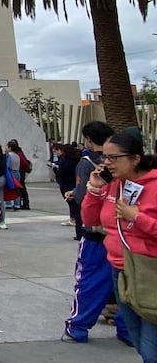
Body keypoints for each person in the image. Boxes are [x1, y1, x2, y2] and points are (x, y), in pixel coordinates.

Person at [82, 129, 157, 362]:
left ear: (135, 158)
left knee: (150, 345)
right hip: (119, 268)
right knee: (135, 335)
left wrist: (136, 216)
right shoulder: (115, 185)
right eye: (105, 157)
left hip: (148, 271)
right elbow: (90, 220)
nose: (107, 163)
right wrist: (95, 189)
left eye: (114, 158)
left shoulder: (153, 187)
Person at [64, 121, 130, 345]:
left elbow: (85, 200)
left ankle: (78, 326)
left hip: (96, 235)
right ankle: (127, 329)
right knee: (125, 285)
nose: (108, 162)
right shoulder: (133, 173)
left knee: (89, 282)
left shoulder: (88, 163)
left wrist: (88, 191)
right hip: (121, 237)